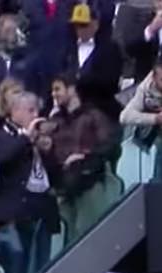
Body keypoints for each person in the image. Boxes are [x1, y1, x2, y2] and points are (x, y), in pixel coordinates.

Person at [0, 91, 63, 273]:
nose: (36, 114)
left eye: (37, 110)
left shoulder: (40, 138)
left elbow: (55, 177)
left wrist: (48, 151)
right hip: (12, 218)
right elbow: (0, 159)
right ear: (14, 111)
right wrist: (25, 139)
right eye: (30, 110)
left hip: (40, 214)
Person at [46, 73, 121, 239]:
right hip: (65, 189)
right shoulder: (56, 121)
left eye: (57, 89)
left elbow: (110, 145)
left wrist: (86, 159)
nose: (53, 94)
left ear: (71, 89)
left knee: (91, 234)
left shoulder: (92, 115)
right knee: (70, 239)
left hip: (89, 184)